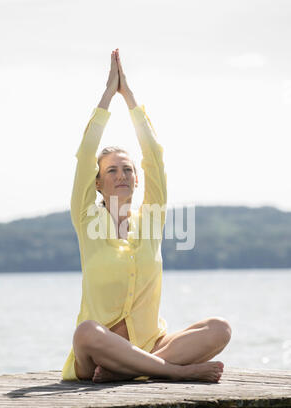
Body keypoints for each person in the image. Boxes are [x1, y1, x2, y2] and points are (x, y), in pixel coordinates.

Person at [62, 48, 232, 384]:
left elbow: (154, 155)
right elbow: (84, 156)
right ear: (97, 183)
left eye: (128, 169)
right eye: (112, 170)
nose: (122, 175)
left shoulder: (151, 220)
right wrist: (109, 95)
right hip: (99, 353)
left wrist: (132, 100)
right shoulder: (86, 220)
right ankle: (170, 372)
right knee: (86, 332)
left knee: (220, 329)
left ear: (137, 179)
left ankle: (130, 370)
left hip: (153, 344)